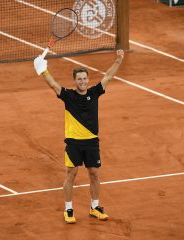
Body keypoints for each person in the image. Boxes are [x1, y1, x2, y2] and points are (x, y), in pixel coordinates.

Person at [33, 50, 124, 224]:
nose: (82, 81)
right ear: (74, 81)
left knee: (94, 174)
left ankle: (95, 207)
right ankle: (68, 209)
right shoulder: (68, 96)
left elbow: (108, 77)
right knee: (71, 174)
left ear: (87, 80)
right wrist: (42, 70)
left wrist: (119, 60)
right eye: (79, 79)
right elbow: (53, 84)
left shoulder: (95, 92)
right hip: (74, 142)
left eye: (84, 78)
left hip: (91, 142)